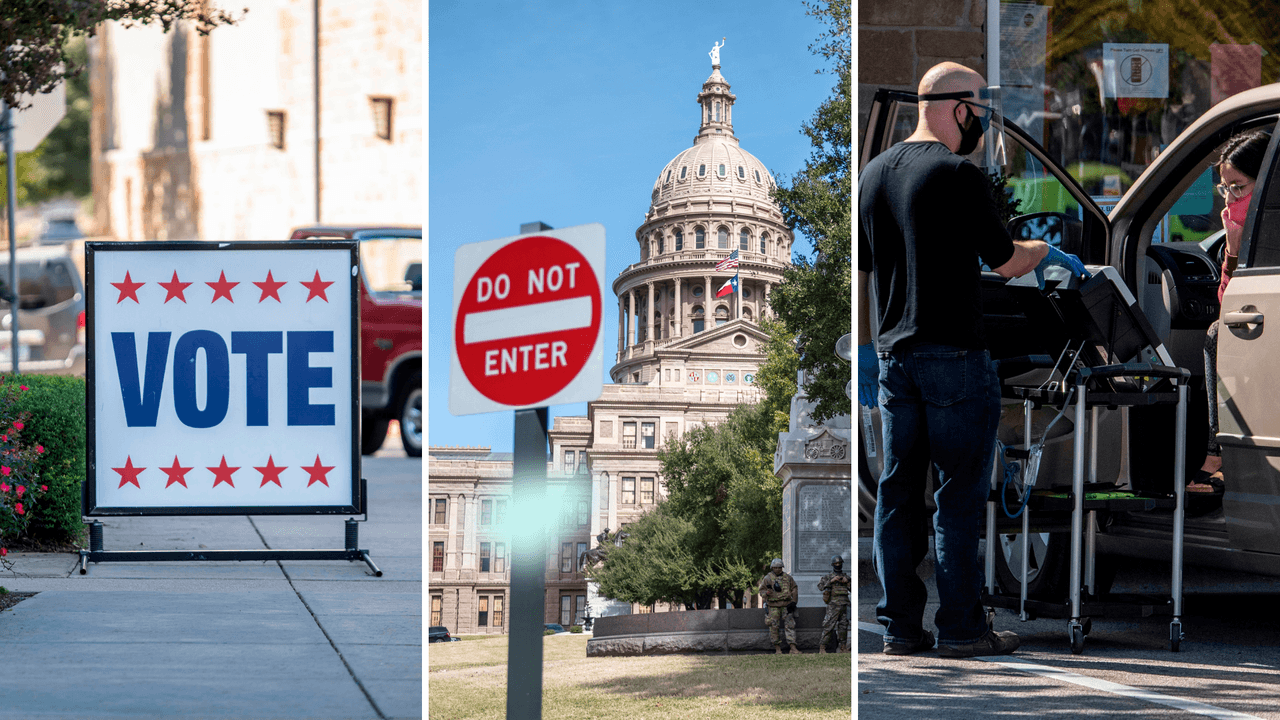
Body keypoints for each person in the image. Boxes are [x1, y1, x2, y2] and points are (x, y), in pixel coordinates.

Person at [857, 62, 1089, 658]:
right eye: (981, 115)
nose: (981, 128)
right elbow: (1007, 260)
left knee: (898, 494)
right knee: (957, 497)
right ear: (960, 109)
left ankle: (901, 630)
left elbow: (868, 266)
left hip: (895, 357)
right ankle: (961, 627)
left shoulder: (872, 174)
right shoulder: (959, 173)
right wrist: (1046, 248)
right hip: (955, 355)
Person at [1191, 129, 1271, 493]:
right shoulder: (1243, 231)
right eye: (1225, 189)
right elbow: (1229, 303)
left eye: (1238, 188)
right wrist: (1233, 252)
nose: (1230, 199)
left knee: (1216, 336)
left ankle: (1218, 454)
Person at [757, 558, 800, 654]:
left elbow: (794, 589)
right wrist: (766, 593)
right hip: (773, 606)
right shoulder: (767, 578)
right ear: (772, 567)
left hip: (786, 605)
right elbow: (761, 591)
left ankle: (793, 648)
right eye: (775, 567)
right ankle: (777, 649)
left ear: (782, 568)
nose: (777, 569)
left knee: (790, 625)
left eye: (779, 567)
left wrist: (793, 602)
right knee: (773, 626)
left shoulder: (788, 578)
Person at [817, 554, 851, 654]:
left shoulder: (846, 577)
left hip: (844, 605)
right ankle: (822, 648)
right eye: (836, 563)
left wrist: (848, 582)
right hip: (833, 606)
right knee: (828, 627)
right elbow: (820, 587)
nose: (838, 565)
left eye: (839, 563)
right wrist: (832, 581)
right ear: (832, 565)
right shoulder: (828, 576)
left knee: (843, 627)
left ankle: (843, 648)